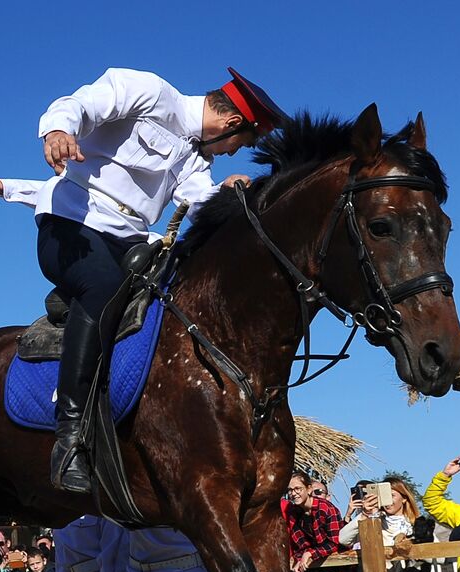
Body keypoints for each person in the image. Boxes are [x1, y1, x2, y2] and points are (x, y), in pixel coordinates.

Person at [34, 67, 285, 492]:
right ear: (232, 123)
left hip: (130, 243)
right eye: (240, 144)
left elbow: (197, 196)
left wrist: (229, 191)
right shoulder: (149, 92)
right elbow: (80, 103)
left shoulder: (196, 159)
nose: (231, 152)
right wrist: (58, 129)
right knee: (101, 288)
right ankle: (71, 438)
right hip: (72, 223)